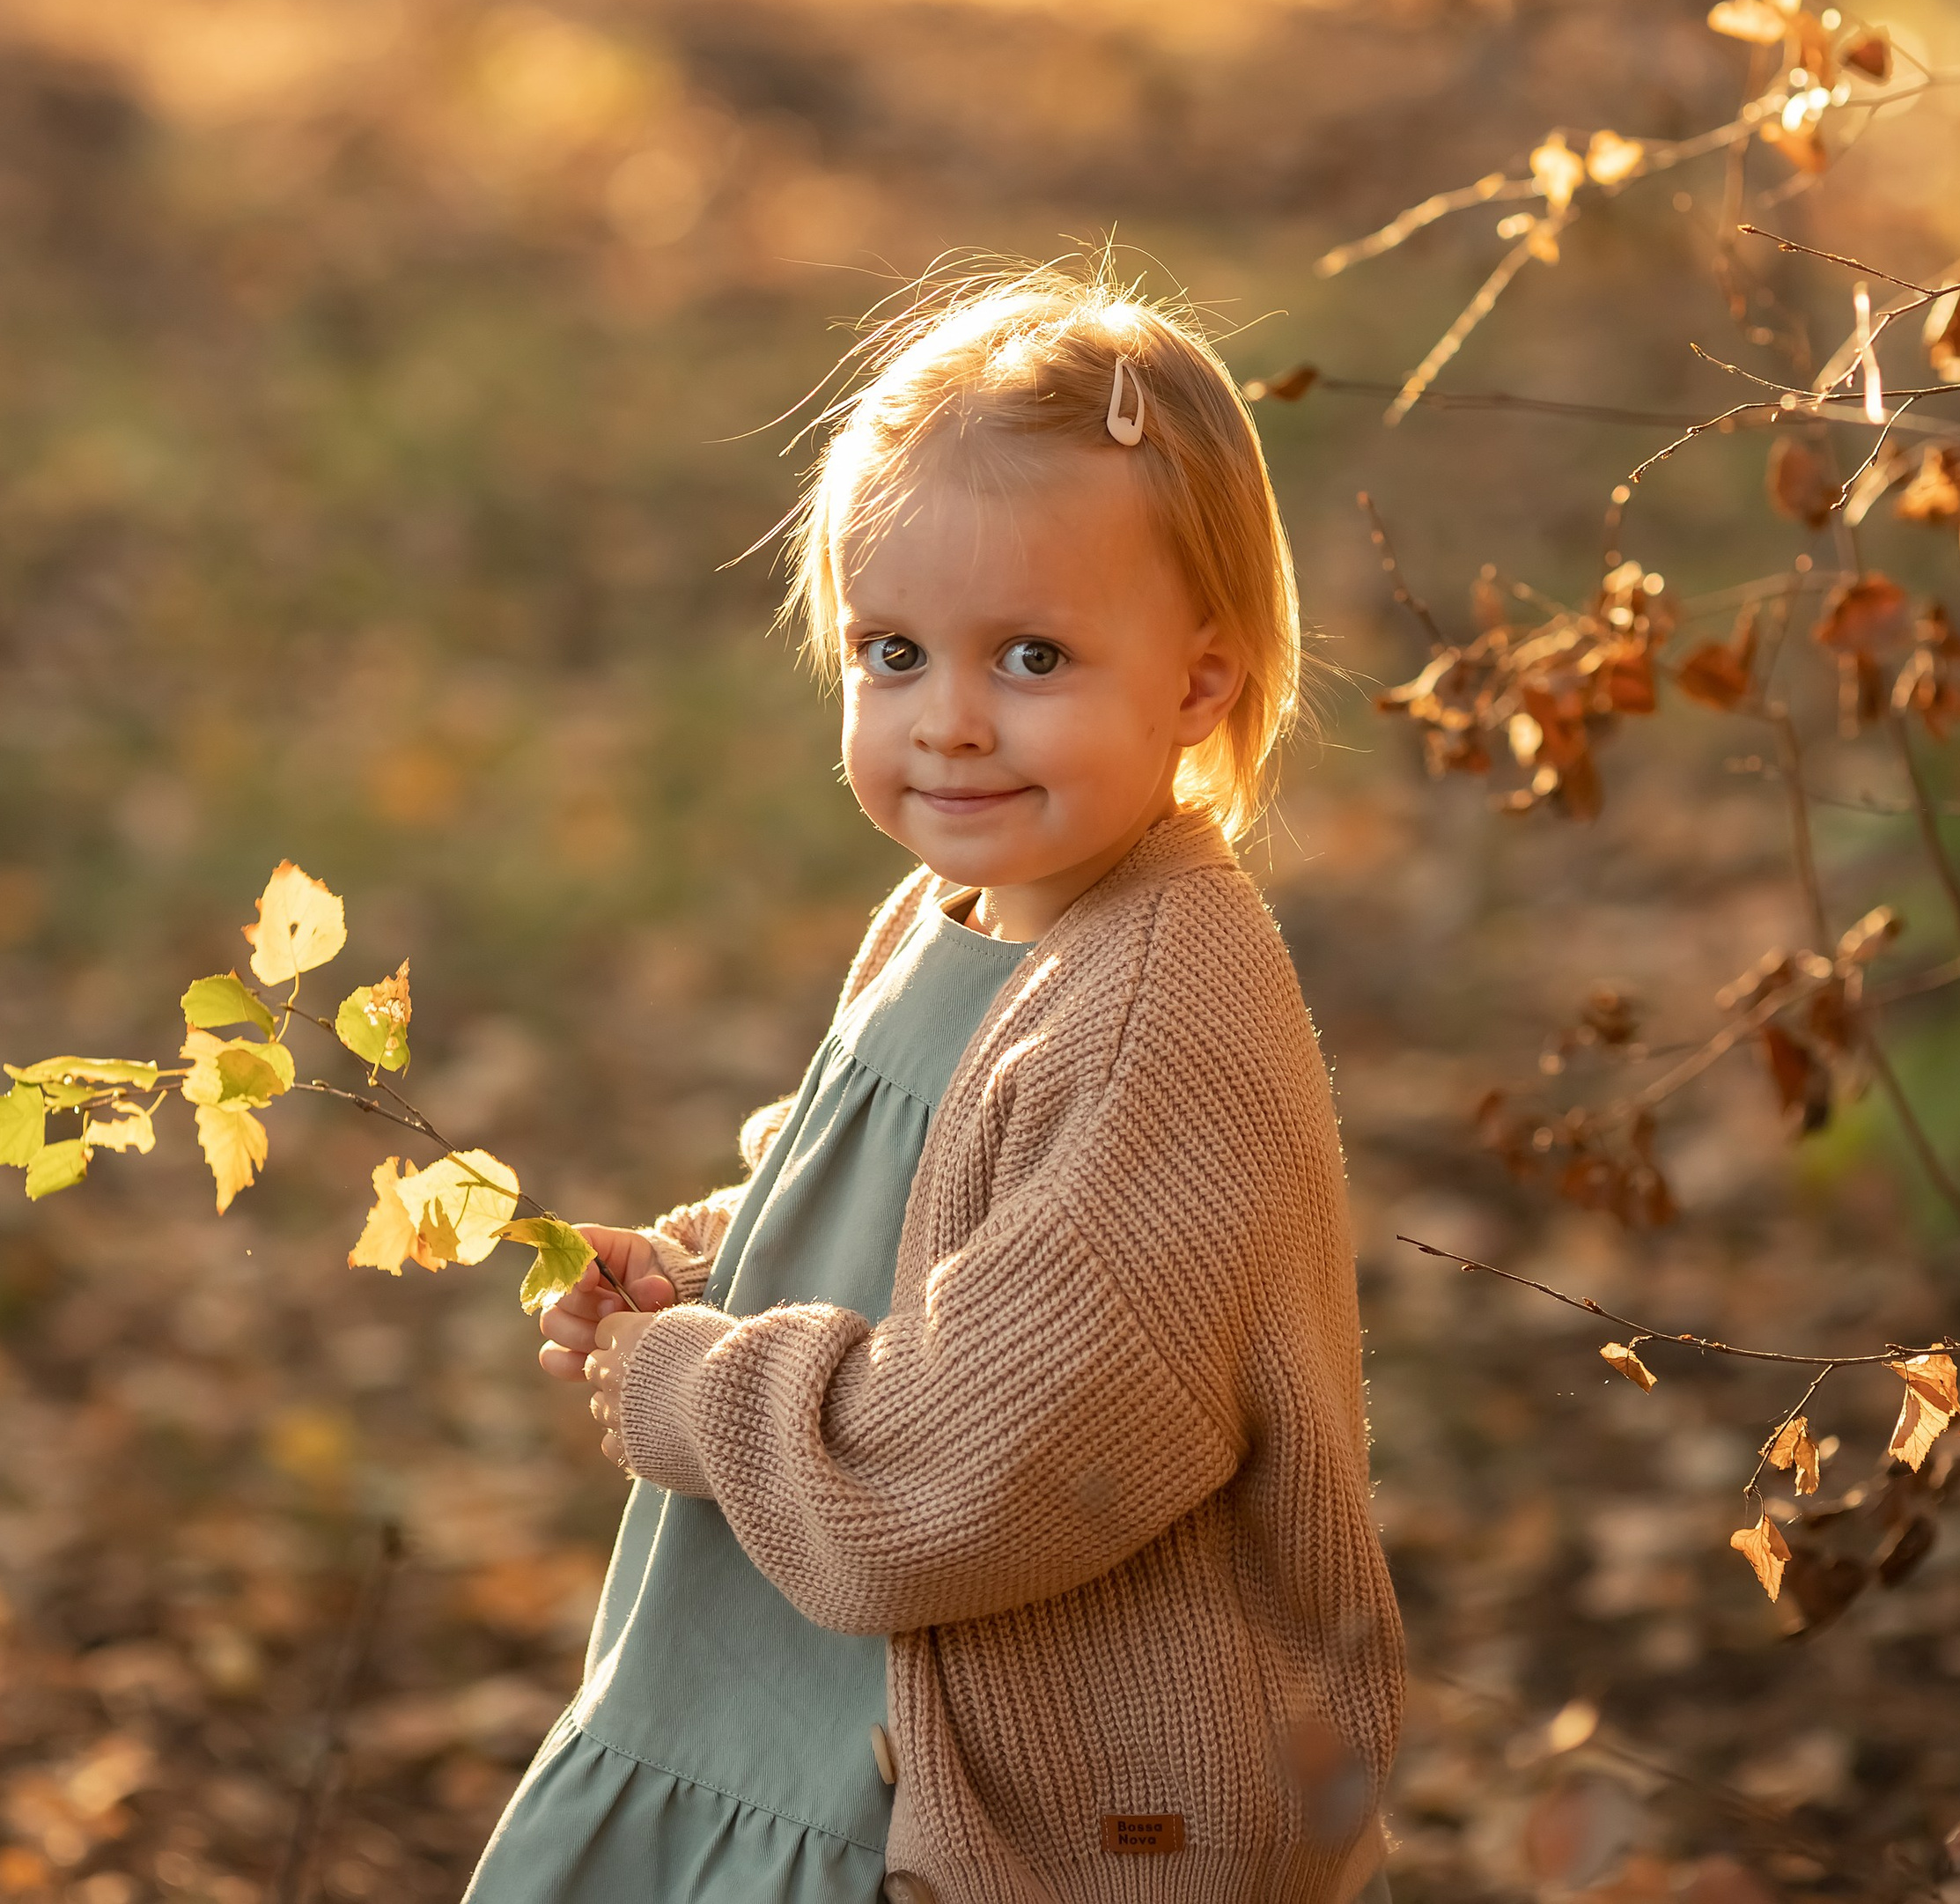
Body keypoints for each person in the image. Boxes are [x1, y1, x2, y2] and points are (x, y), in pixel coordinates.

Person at [467, 265, 1404, 1904]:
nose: (949, 725)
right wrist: (702, 1266)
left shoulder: (1155, 1015)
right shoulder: (959, 910)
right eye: (891, 652)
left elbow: (966, 1473)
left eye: (1031, 656)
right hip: (846, 1744)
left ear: (1199, 681)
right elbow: (891, 1200)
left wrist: (704, 1388)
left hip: (1069, 1825)